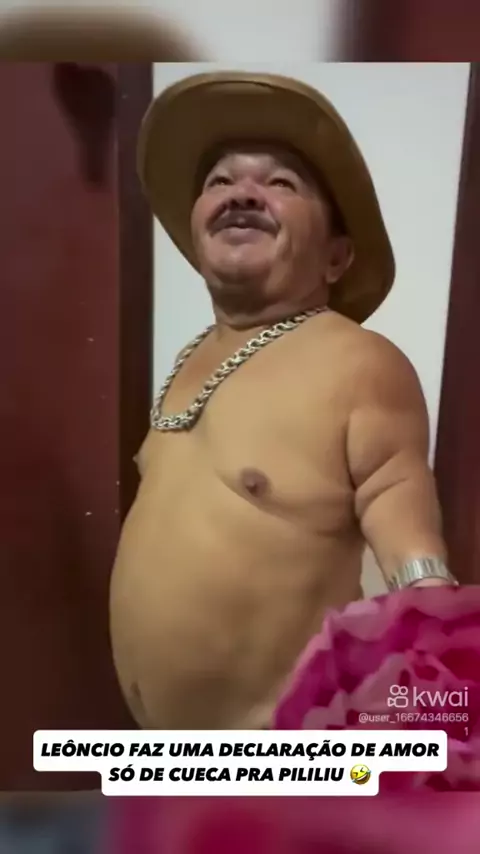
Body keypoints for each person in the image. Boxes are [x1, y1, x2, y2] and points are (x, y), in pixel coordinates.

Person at [109, 71, 457, 731]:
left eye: (280, 183)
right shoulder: (191, 358)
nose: (241, 193)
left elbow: (409, 542)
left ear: (336, 256)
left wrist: (441, 684)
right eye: (220, 181)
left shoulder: (359, 362)